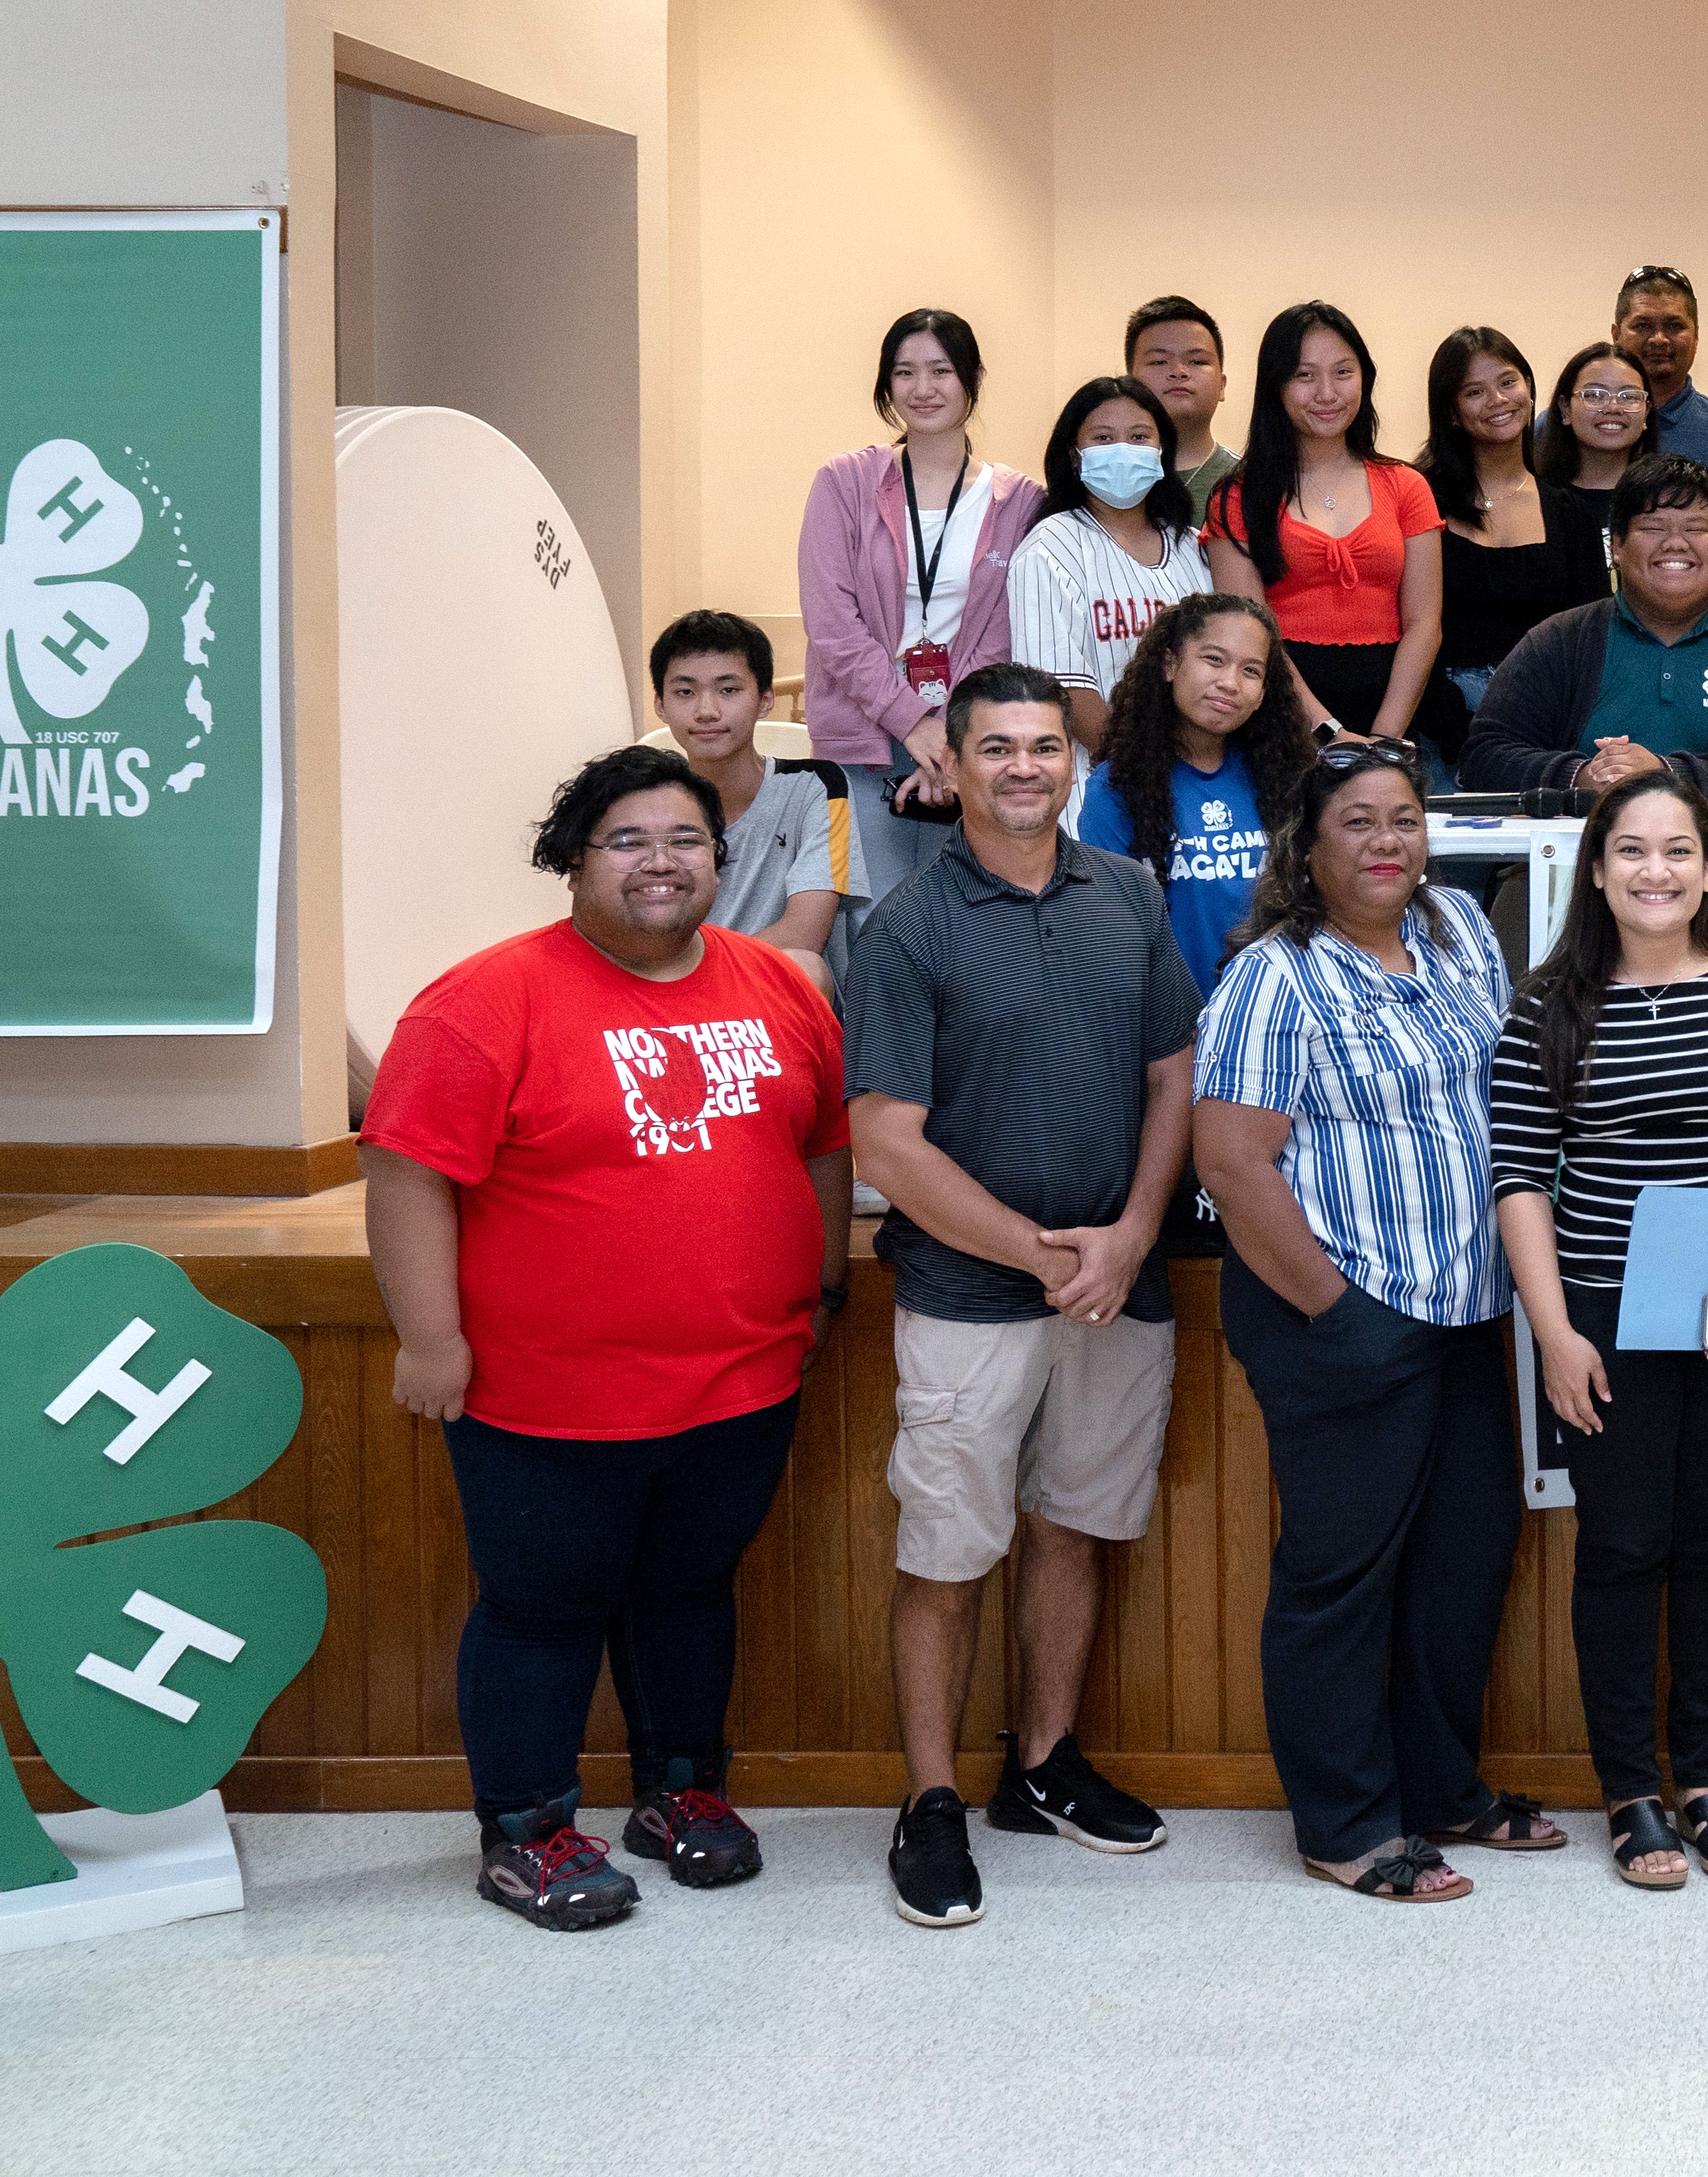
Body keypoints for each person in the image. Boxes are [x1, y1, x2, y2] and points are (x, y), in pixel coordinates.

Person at [359, 745, 851, 1933]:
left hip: (739, 1376)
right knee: (543, 1603)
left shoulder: (781, 984)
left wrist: (822, 1283)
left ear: (718, 857)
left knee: (690, 1590)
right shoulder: (485, 998)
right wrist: (430, 1339)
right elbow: (405, 1165)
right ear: (572, 857)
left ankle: (681, 1789)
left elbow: (823, 1140)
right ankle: (525, 1828)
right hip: (544, 1394)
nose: (660, 862)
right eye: (626, 839)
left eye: (683, 838)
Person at [842, 664, 1198, 1932]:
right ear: (952, 758)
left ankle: (1040, 1763)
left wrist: (1132, 1232)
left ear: (1074, 760)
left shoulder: (1129, 895)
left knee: (1073, 1525)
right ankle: (930, 1797)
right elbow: (886, 1140)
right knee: (947, 1548)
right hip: (967, 1300)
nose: (1024, 767)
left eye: (1045, 745)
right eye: (996, 747)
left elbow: (1172, 1074)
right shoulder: (909, 925)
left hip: (1120, 1285)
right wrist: (1040, 1254)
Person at [1194, 736, 1551, 1902]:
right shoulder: (1275, 975)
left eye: (1404, 818)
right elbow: (1234, 1165)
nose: (1388, 842)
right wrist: (1335, 1310)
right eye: (1358, 822)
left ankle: (1441, 1788)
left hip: (1465, 1308)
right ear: (1308, 843)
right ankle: (1346, 1824)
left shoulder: (1456, 928)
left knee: (1464, 1558)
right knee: (1343, 1576)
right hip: (1341, 1307)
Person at [1491, 774, 1708, 1887]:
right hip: (1601, 1322)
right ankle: (1630, 1791)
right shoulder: (1548, 1006)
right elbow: (1519, 1178)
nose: (1656, 871)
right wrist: (1553, 1331)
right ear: (1596, 869)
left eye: (1679, 850)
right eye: (1632, 850)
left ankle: (1704, 1778)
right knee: (1622, 1547)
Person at [799, 307, 1042, 897]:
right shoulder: (844, 483)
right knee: (870, 927)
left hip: (970, 749)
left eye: (941, 370)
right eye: (905, 373)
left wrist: (950, 733)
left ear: (972, 378)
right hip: (861, 745)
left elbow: (1005, 632)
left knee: (970, 921)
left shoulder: (1021, 501)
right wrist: (913, 723)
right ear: (887, 384)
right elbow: (832, 622)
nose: (924, 389)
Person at [1464, 456, 1708, 815]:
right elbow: (1485, 754)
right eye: (1653, 528)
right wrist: (1581, 777)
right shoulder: (1559, 641)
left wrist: (1667, 775)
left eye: (1696, 529)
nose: (1675, 543)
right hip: (1572, 859)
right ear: (1617, 547)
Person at [1204, 301, 1444, 746]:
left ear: (1365, 378)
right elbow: (1251, 634)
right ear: (1275, 386)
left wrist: (1382, 740)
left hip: (1398, 721)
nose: (1328, 394)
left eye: (1343, 372)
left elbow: (1425, 624)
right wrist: (1330, 735)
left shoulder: (1407, 485)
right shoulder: (1236, 497)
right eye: (1305, 375)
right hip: (1281, 726)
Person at [1070, 590, 1311, 1001]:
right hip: (1174, 1027)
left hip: (1282, 1012)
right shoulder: (1117, 787)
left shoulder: (1286, 777)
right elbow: (1111, 935)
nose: (1230, 683)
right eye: (1214, 660)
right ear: (1169, 664)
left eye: (1251, 671)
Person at [1417, 325, 1592, 765]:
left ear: (1530, 389)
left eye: (1508, 382)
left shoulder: (1569, 513)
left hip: (1542, 724)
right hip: (1436, 721)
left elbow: (1590, 638)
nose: (1498, 400)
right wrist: (1447, 718)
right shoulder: (1418, 499)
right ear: (1452, 412)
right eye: (1474, 391)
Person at [1011, 376, 1210, 760]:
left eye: (1139, 437)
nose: (1123, 451)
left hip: (1194, 771)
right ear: (1074, 455)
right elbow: (1063, 691)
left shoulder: (1192, 545)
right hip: (1099, 783)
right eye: (1103, 438)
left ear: (1161, 451)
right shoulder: (1050, 547)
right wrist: (1138, 774)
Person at [648, 610, 838, 959]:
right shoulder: (647, 804)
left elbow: (805, 932)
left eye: (729, 690)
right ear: (660, 704)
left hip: (767, 982)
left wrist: (698, 974)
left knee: (806, 965)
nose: (707, 711)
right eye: (686, 692)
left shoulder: (821, 786)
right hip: (669, 989)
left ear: (765, 700)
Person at [1534, 341, 1652, 586]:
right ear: (1565, 409)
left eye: (1629, 396)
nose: (1613, 408)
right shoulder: (1535, 500)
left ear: (1646, 413)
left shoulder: (1667, 499)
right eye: (1595, 395)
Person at [1614, 265, 1708, 474]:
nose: (1658, 339)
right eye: (1642, 325)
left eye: (1674, 326)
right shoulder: (1566, 428)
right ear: (1616, 335)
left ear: (1696, 337)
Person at [1123, 294, 1239, 511]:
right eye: (1159, 361)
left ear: (1221, 385)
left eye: (1197, 361)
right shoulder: (1102, 480)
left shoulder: (1252, 482)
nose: (1179, 372)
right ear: (1129, 384)